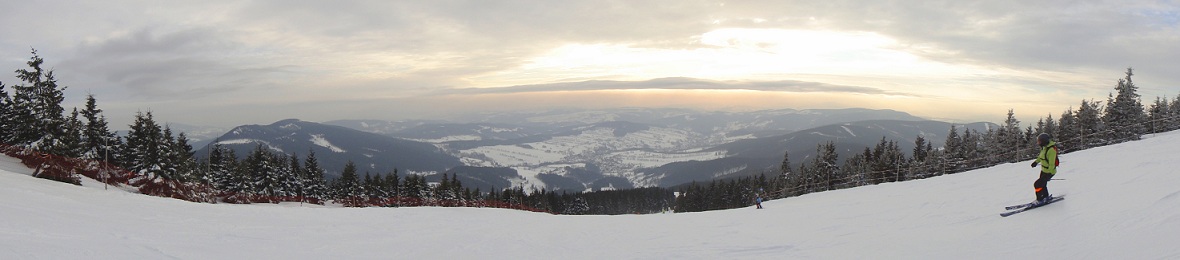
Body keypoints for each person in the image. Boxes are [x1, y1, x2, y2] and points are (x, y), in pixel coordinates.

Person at [1030, 133, 1059, 203]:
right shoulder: (1044, 148)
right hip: (1043, 170)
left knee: (1037, 184)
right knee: (1042, 184)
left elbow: (1052, 163)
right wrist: (1036, 162)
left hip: (1049, 171)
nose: (1038, 143)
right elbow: (1041, 157)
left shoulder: (1051, 150)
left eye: (1039, 141)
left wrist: (1049, 174)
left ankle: (1039, 199)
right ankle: (1045, 196)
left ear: (1044, 141)